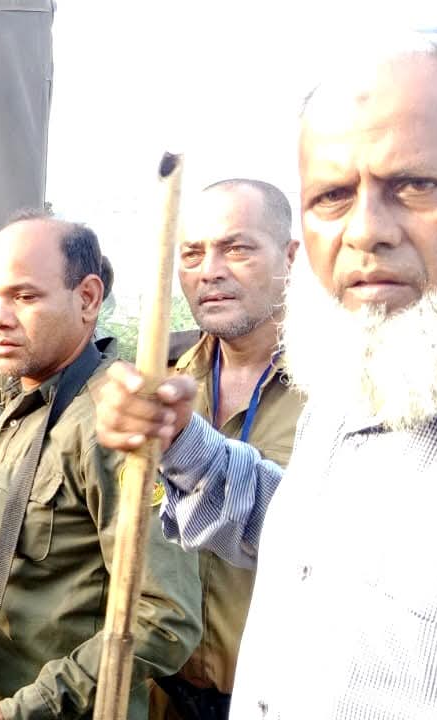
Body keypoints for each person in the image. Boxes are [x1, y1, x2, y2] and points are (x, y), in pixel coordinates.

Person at [94, 42, 437, 716]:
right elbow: (315, 542)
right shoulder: (356, 373)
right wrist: (185, 445)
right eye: (331, 196)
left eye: (415, 185)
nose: (366, 231)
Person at [0, 214, 201, 720]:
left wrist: (25, 710)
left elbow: (164, 619)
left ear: (88, 298)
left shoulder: (113, 422)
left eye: (25, 297)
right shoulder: (22, 405)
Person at [148, 180, 305, 720]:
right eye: (192, 253)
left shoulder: (342, 396)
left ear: (291, 257)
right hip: (165, 693)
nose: (209, 271)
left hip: (281, 701)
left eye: (236, 248)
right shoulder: (163, 382)